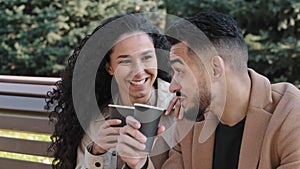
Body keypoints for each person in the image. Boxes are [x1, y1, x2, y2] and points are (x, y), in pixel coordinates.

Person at [118, 11, 300, 169]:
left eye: (180, 71)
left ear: (215, 69)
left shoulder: (291, 115)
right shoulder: (188, 122)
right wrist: (140, 163)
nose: (173, 86)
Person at [46, 13, 176, 169]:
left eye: (147, 57)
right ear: (110, 67)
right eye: (125, 61)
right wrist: (97, 152)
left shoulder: (178, 109)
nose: (139, 71)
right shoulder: (99, 119)